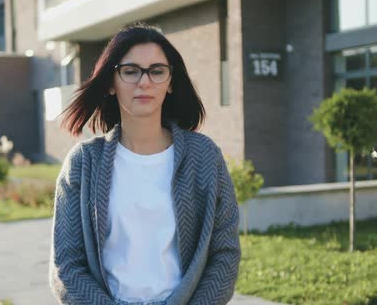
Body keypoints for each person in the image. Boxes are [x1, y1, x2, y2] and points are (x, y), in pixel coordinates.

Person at [49, 22, 240, 305]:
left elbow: (224, 253)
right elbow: (67, 266)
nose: (145, 82)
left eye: (157, 71)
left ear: (171, 82)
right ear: (111, 84)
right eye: (130, 71)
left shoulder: (204, 157)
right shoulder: (84, 163)